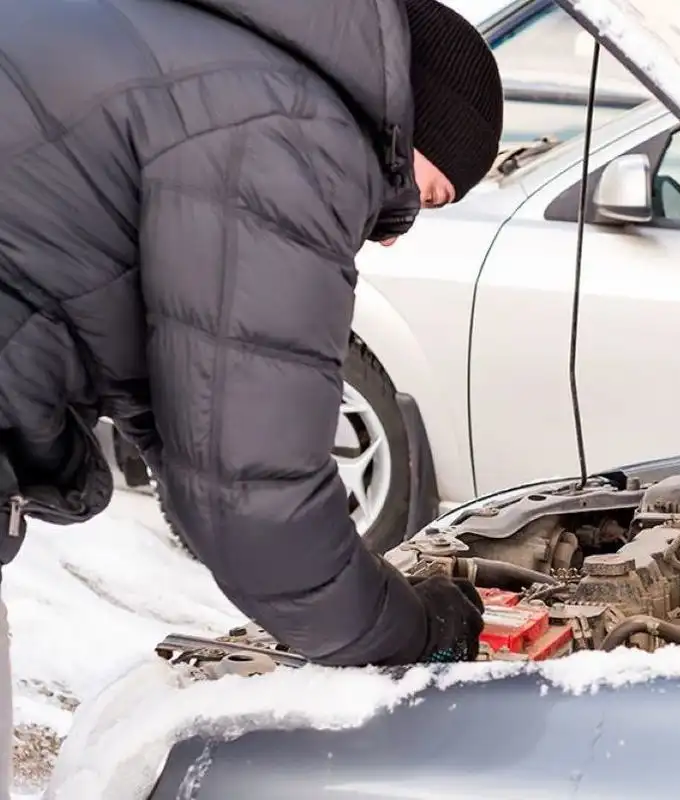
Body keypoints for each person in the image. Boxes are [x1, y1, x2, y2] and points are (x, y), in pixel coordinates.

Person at [0, 0, 503, 792]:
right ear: (414, 123)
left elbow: (186, 412)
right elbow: (256, 495)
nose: (396, 230)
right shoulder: (292, 127)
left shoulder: (207, 56)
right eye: (427, 193)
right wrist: (415, 629)